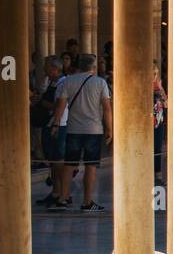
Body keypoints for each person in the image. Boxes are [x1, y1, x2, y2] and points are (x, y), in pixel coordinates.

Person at [52, 53, 112, 211]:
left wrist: (56, 124)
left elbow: (61, 105)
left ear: (79, 65)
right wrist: (110, 129)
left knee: (69, 165)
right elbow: (106, 108)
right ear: (93, 66)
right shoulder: (100, 83)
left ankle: (63, 199)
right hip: (94, 129)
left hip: (73, 129)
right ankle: (87, 202)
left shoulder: (69, 81)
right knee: (91, 166)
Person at [31, 57, 64, 205]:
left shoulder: (62, 82)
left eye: (46, 67)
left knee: (58, 160)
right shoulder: (52, 82)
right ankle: (55, 191)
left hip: (57, 125)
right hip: (49, 124)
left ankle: (62, 192)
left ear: (55, 69)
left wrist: (41, 102)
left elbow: (58, 106)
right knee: (52, 159)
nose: (44, 70)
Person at [153, 61, 168, 184]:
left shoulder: (158, 85)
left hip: (158, 121)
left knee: (157, 148)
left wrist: (160, 91)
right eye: (153, 74)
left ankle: (158, 176)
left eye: (156, 73)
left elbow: (166, 103)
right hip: (146, 122)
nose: (155, 77)